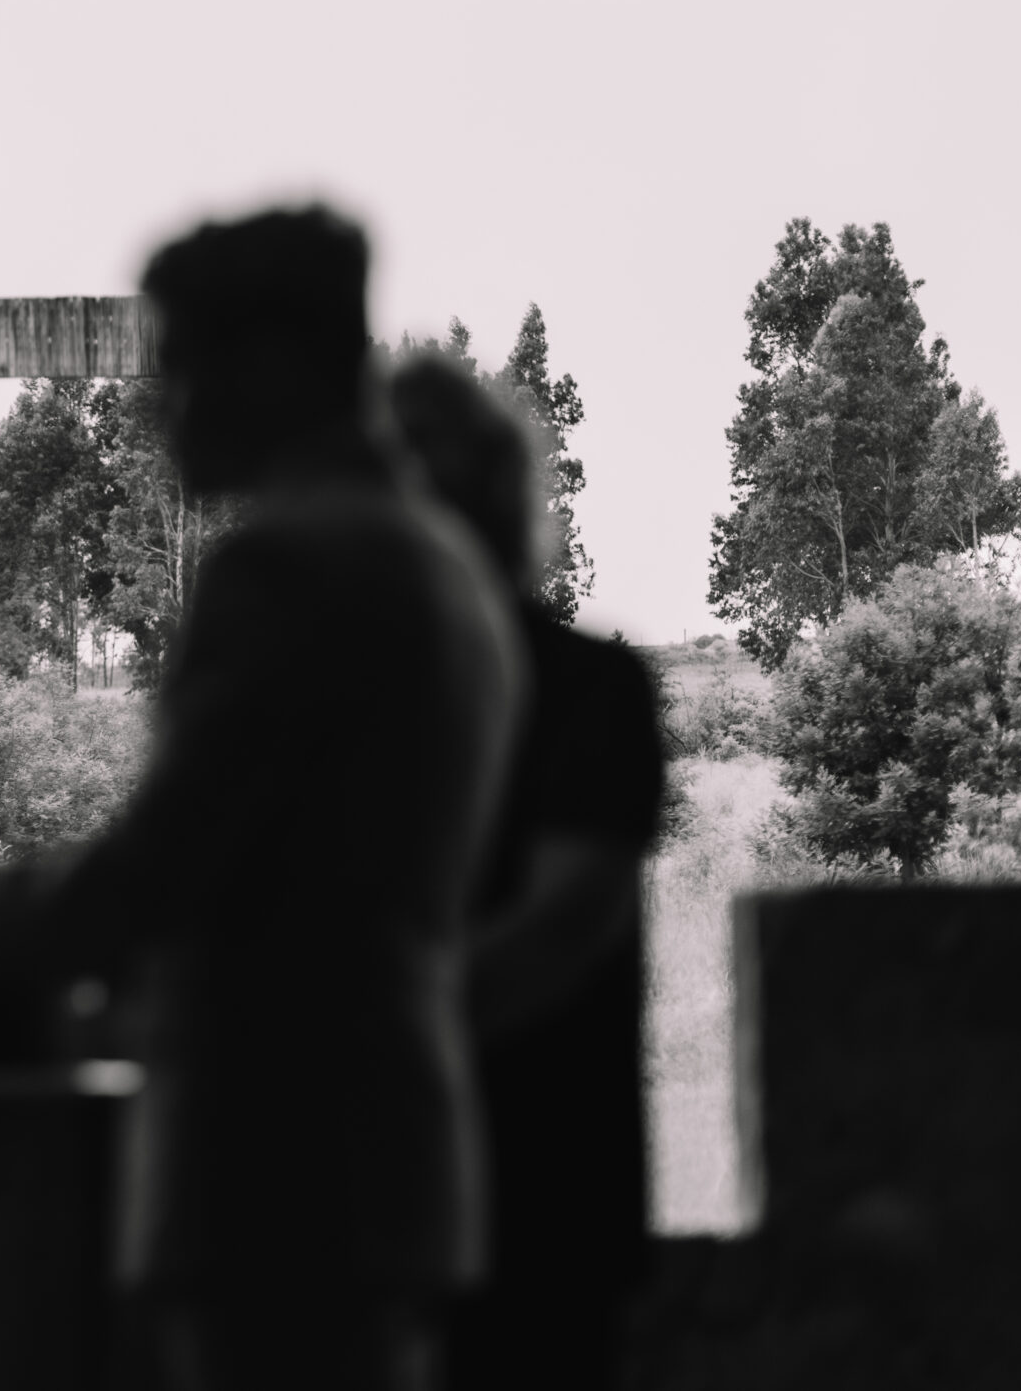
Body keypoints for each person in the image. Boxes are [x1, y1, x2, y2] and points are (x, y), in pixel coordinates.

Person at [0, 205, 527, 1391]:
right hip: (388, 1155)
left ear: (266, 369)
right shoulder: (442, 563)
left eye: (175, 369)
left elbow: (154, 875)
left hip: (275, 1164)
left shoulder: (287, 567)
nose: (156, 409)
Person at [389, 355, 665, 1391]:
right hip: (536, 1183)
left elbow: (560, 928)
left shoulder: (586, 690)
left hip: (527, 1185)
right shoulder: (597, 687)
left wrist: (357, 1041)